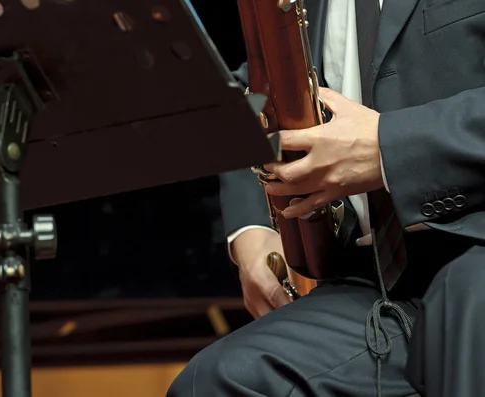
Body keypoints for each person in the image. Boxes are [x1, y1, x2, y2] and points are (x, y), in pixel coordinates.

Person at [167, 0, 485, 396]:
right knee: (215, 383)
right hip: (375, 280)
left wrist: (390, 148)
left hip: (474, 256)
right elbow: (257, 90)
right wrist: (250, 229)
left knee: (463, 306)